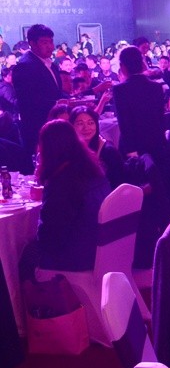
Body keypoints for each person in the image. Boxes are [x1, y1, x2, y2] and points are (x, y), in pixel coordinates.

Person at [34, 120, 111, 271]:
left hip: (78, 256)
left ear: (47, 148)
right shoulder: (94, 171)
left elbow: (49, 234)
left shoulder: (62, 183)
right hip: (100, 246)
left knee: (23, 254)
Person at [12, 24, 63, 154]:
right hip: (38, 130)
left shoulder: (50, 64)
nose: (50, 46)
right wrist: (57, 104)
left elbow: (57, 94)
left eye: (51, 42)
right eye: (44, 42)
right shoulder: (25, 66)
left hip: (55, 125)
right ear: (32, 43)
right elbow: (27, 102)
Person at [111, 46, 166, 160]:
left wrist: (130, 150)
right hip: (156, 143)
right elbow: (160, 118)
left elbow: (124, 122)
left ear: (122, 67)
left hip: (133, 145)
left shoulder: (119, 89)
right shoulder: (156, 87)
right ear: (142, 65)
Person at [69, 106, 124, 188]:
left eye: (91, 123)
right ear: (72, 126)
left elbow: (119, 184)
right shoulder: (69, 149)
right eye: (80, 123)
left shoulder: (108, 151)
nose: (86, 128)